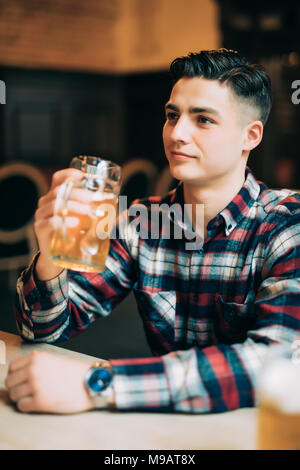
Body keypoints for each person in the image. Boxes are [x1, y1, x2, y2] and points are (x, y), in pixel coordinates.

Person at [6, 49, 300, 414]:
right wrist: (51, 258)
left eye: (203, 119)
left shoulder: (286, 225)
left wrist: (99, 384)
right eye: (172, 115)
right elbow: (43, 330)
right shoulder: (144, 220)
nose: (177, 133)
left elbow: (275, 364)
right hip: (166, 429)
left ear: (250, 136)